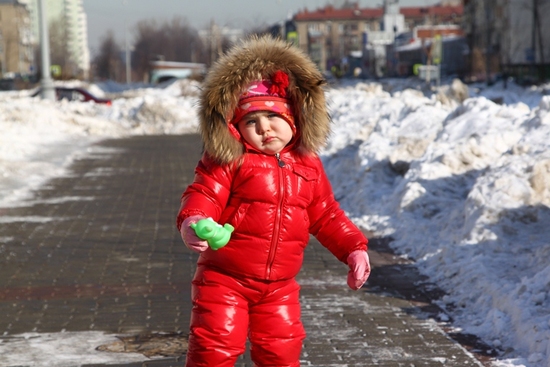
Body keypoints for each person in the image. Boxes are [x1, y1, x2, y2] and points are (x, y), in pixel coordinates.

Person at [176, 35, 370, 367]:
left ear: (294, 119)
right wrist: (193, 220)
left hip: (280, 287)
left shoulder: (308, 165)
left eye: (272, 117)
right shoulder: (230, 160)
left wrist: (354, 248)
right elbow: (205, 193)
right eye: (251, 121)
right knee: (215, 348)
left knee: (282, 352)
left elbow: (325, 214)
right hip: (225, 280)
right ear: (236, 129)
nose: (264, 128)